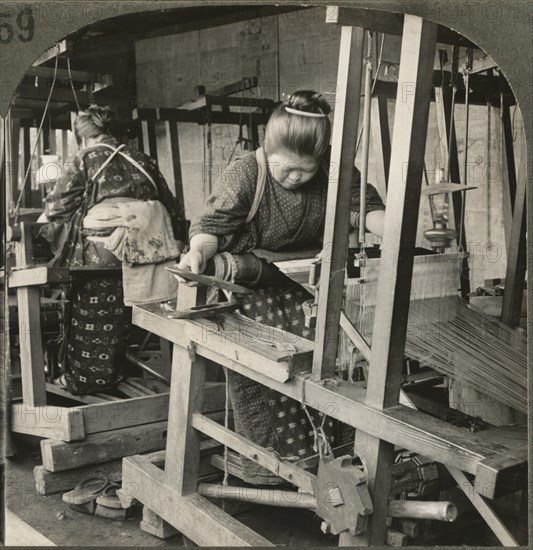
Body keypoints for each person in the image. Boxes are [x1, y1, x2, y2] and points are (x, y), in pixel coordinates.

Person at [178, 90, 385, 484]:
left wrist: (389, 226)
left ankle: (336, 456)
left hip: (308, 281)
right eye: (283, 167)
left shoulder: (335, 172)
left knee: (337, 348)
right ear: (266, 148)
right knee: (274, 360)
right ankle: (271, 465)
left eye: (303, 172)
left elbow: (365, 208)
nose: (292, 178)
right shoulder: (247, 173)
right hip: (249, 286)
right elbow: (210, 229)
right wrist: (197, 254)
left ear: (320, 161)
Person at [40, 105, 185, 395]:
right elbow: (172, 208)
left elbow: (57, 207)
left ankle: (86, 382)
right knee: (129, 322)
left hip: (101, 256)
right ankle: (156, 379)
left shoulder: (83, 159)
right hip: (148, 255)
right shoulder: (142, 159)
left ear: (82, 137)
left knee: (92, 322)